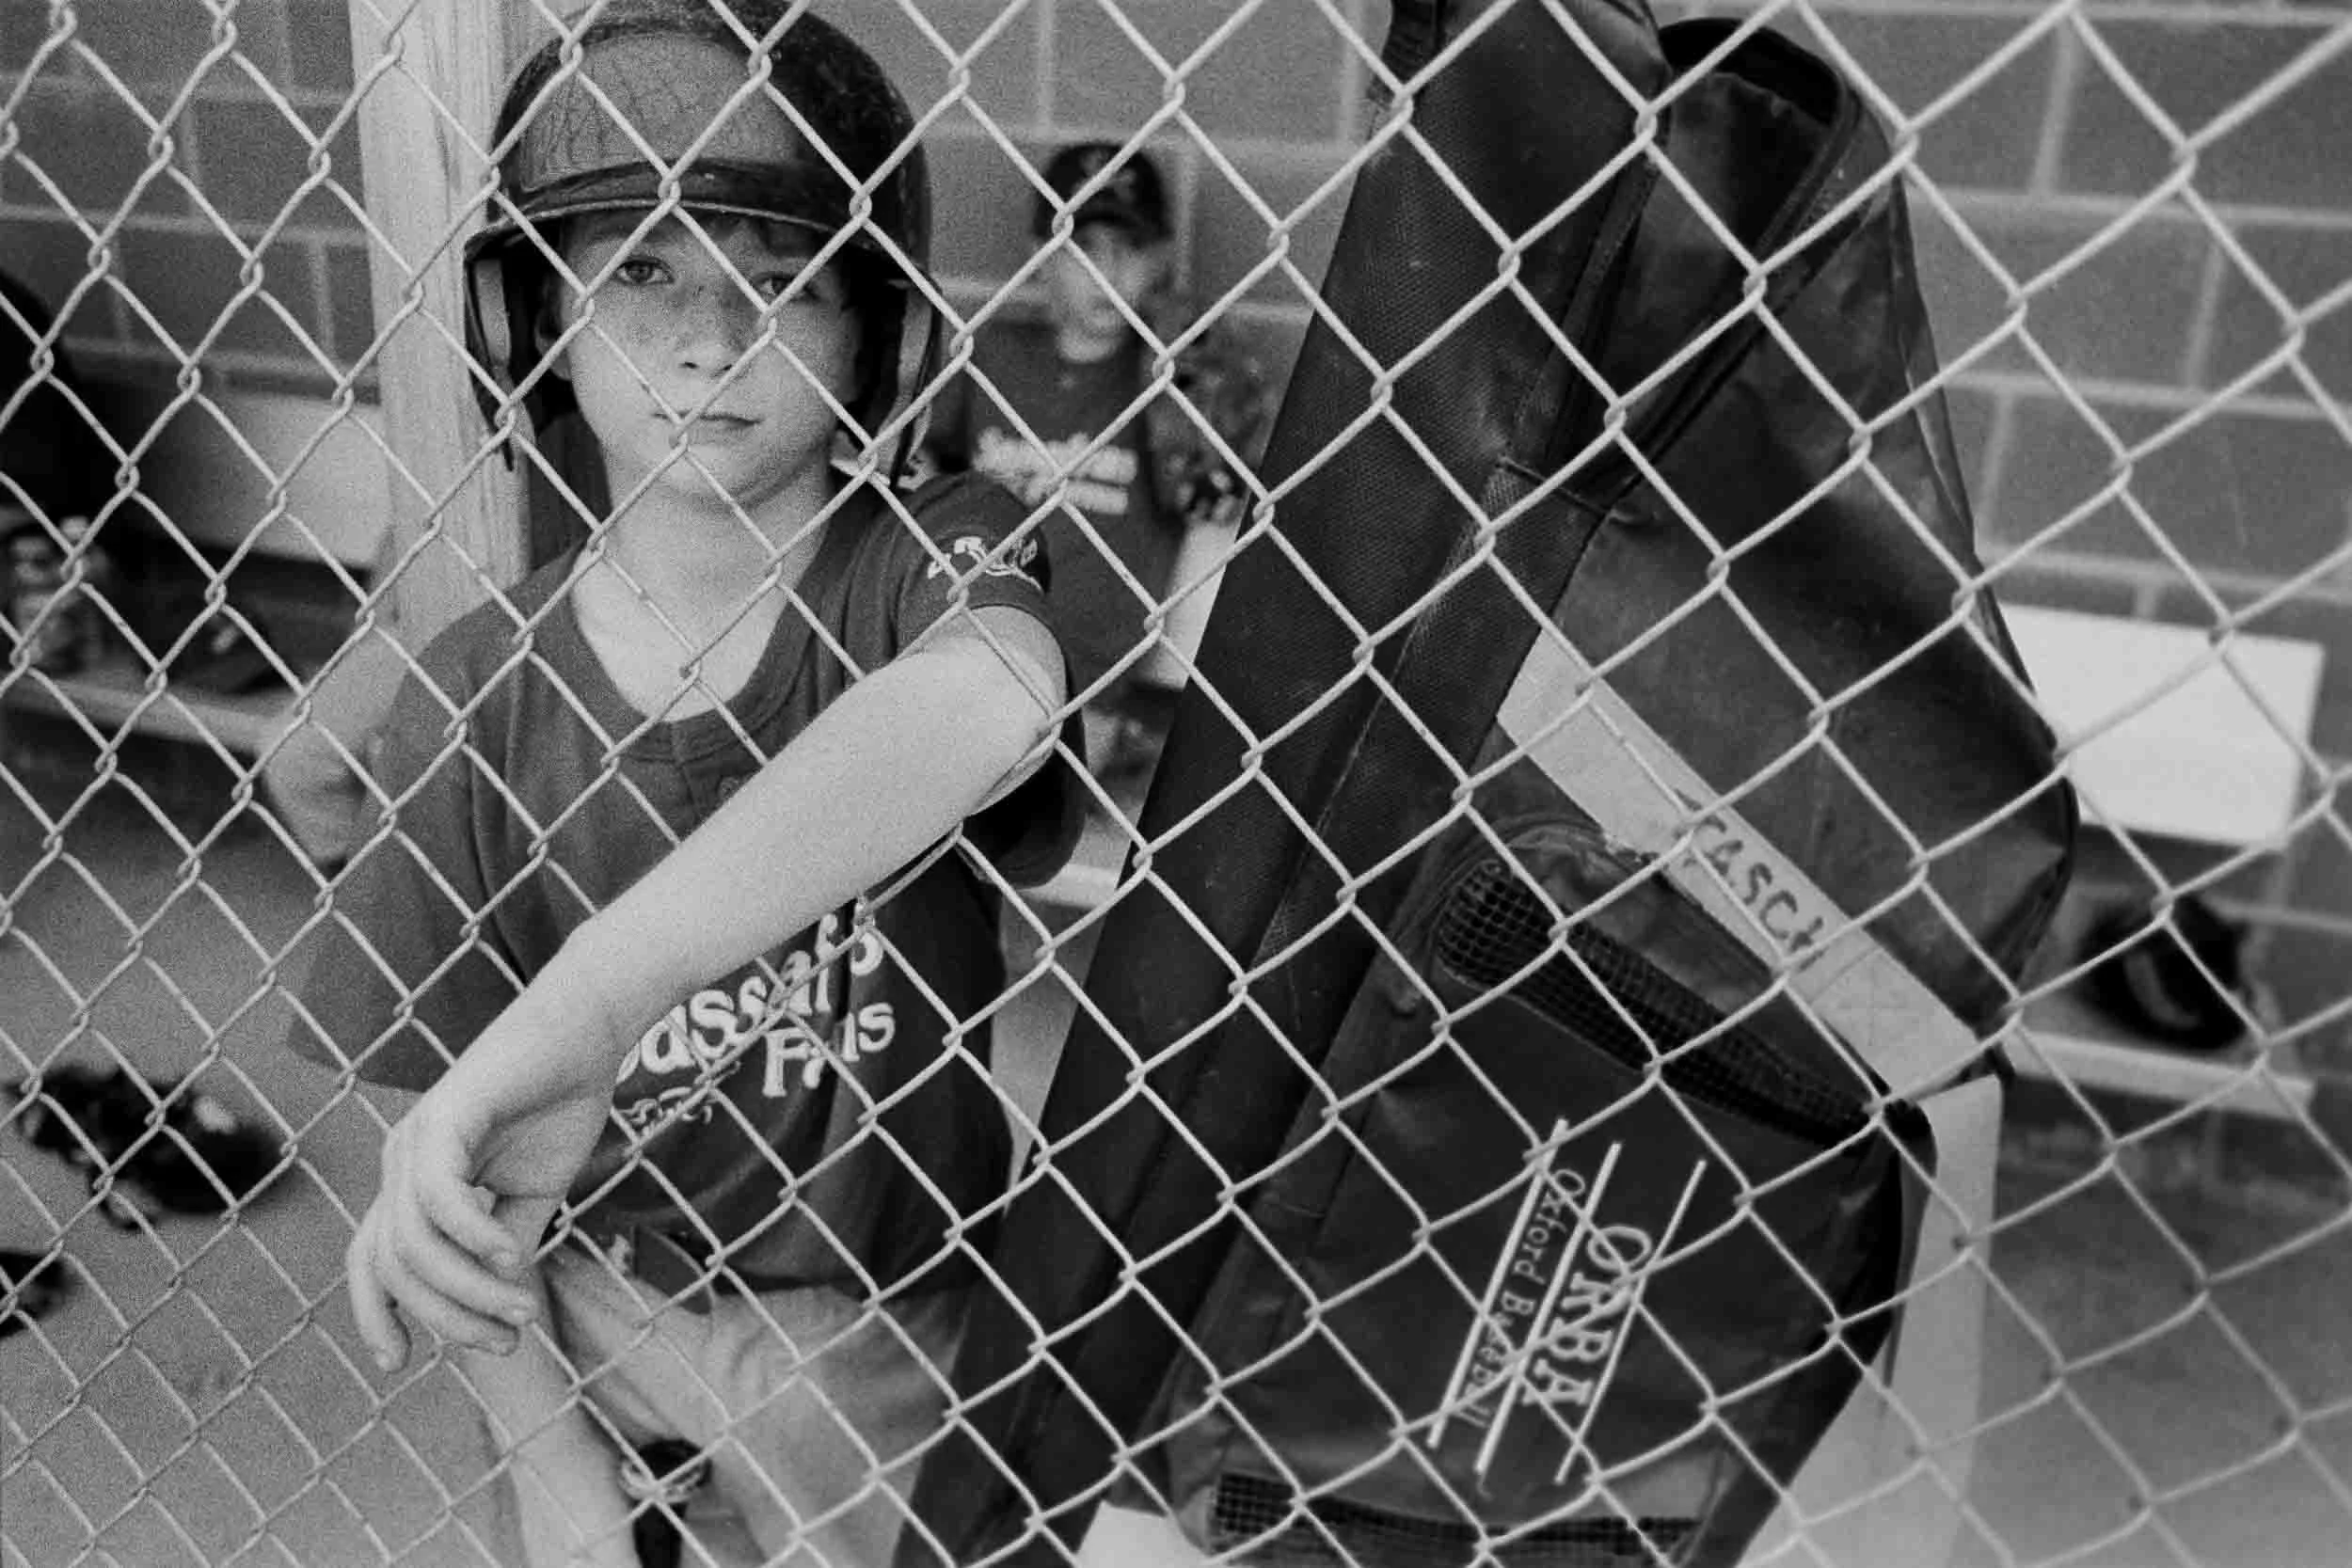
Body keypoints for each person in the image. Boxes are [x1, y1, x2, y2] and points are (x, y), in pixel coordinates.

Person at [282, 5, 1080, 1565]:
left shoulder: (928, 556)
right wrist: (563, 1480)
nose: (712, 340)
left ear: (881, 337)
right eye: (640, 270)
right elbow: (454, 1173)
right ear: (535, 313)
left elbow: (990, 697)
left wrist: (600, 993)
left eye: (785, 280)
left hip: (881, 1310)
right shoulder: (477, 690)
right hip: (583, 1290)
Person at [921, 141, 1205, 787]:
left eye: (1131, 248)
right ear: (1041, 254)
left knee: (1022, 812)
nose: (1110, 272)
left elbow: (1213, 495)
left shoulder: (1170, 383)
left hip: (1087, 686)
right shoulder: (991, 354)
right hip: (972, 641)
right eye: (1084, 249)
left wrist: (1187, 353)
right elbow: (912, 462)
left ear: (1162, 258)